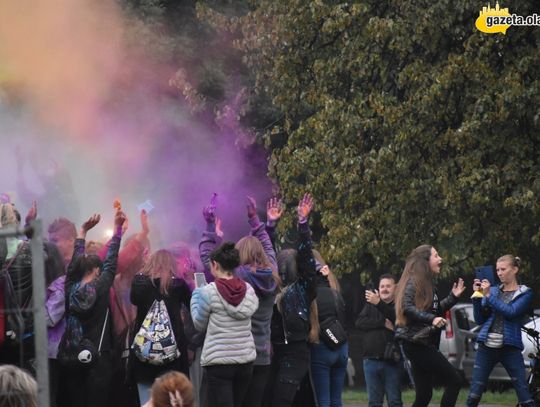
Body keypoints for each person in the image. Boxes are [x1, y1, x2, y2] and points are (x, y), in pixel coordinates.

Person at [199, 195, 279, 407]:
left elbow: (209, 259)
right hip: (262, 354)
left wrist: (209, 226)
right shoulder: (272, 274)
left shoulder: (239, 278)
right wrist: (254, 219)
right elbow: (269, 249)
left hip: (238, 354)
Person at [62, 210, 126, 407]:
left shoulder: (69, 286)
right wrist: (117, 230)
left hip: (71, 356)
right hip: (98, 358)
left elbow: (73, 267)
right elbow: (112, 261)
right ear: (98, 270)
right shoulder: (101, 285)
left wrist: (82, 232)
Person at [264, 193, 319, 407]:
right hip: (273, 351)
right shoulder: (269, 287)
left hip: (296, 351)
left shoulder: (304, 289)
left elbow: (306, 261)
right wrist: (269, 226)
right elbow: (265, 257)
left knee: (281, 399)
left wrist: (303, 224)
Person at [394, 245, 465, 407]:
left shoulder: (426, 283)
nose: (440, 259)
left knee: (424, 395)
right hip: (416, 343)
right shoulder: (413, 282)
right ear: (425, 262)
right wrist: (431, 319)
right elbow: (407, 307)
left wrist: (453, 297)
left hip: (420, 343)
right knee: (454, 380)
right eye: (436, 256)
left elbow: (435, 310)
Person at [191, 241, 259, 407]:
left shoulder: (208, 291)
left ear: (215, 265)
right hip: (245, 361)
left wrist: (195, 296)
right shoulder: (248, 289)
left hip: (219, 363)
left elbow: (199, 324)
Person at [465, 255, 535, 407]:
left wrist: (488, 295)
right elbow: (480, 320)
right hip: (486, 348)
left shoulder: (524, 293)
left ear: (515, 269)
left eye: (503, 269)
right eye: (497, 270)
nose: (499, 273)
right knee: (474, 395)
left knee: (524, 395)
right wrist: (477, 298)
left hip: (510, 348)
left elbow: (511, 312)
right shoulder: (494, 290)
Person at [130, 249, 192, 405]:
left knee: (147, 400)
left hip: (145, 354)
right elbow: (192, 305)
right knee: (172, 401)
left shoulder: (139, 283)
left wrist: (143, 268)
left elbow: (134, 300)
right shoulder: (178, 285)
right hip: (172, 355)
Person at [356, 274, 403, 407]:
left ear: (395, 288)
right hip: (370, 361)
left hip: (392, 362)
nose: (385, 289)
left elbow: (397, 320)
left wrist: (379, 304)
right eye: (382, 286)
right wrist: (382, 322)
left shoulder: (399, 306)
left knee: (395, 401)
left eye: (388, 286)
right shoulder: (370, 306)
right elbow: (359, 323)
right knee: (374, 403)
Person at [310, 250, 348, 407]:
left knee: (323, 400)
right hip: (342, 345)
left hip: (322, 347)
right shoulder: (334, 290)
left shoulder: (310, 294)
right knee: (336, 399)